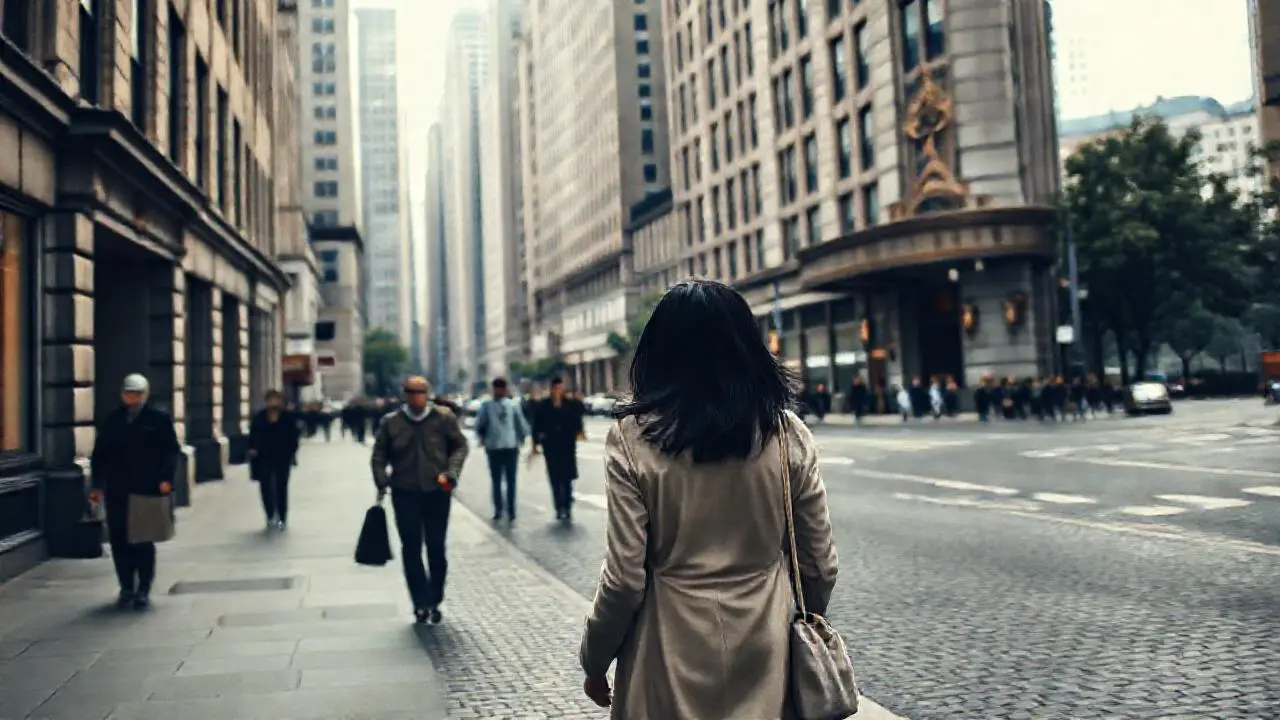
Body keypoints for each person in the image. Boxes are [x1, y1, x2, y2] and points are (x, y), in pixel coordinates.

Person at [577, 279, 839, 717]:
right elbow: (818, 563)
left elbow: (623, 579)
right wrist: (808, 621)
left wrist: (595, 658)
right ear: (746, 348)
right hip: (765, 642)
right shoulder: (785, 433)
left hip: (665, 650)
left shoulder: (631, 437)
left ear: (658, 353)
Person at [371, 376, 469, 625]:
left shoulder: (443, 418)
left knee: (436, 546)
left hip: (437, 491)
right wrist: (382, 480)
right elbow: (379, 455)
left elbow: (460, 446)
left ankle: (435, 597)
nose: (416, 397)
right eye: (411, 392)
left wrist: (452, 472)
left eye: (420, 392)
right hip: (405, 492)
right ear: (405, 395)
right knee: (411, 547)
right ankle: (420, 602)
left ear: (427, 394)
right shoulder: (391, 423)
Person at [88, 374, 181, 610]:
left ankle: (144, 588)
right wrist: (98, 485)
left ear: (145, 395)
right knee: (119, 540)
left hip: (147, 488)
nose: (133, 398)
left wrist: (165, 479)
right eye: (129, 393)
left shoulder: (158, 419)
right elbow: (100, 456)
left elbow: (171, 451)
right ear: (122, 394)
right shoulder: (113, 421)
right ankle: (126, 586)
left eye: (137, 393)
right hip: (118, 489)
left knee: (143, 539)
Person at [475, 377, 530, 522]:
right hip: (494, 447)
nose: (499, 391)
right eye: (496, 388)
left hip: (510, 446)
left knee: (511, 480)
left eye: (501, 388)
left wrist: (523, 437)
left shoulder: (513, 405)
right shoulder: (486, 405)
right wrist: (481, 436)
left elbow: (520, 422)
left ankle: (511, 509)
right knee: (497, 480)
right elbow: (480, 423)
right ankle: (499, 509)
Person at [530, 377, 584, 521]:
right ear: (552, 389)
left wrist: (578, 399)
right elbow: (536, 425)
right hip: (551, 446)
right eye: (556, 388)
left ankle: (567, 505)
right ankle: (558, 507)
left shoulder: (570, 404)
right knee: (555, 478)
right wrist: (535, 444)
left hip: (567, 445)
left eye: (561, 388)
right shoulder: (544, 405)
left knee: (567, 478)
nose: (559, 391)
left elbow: (579, 415)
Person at [248, 389, 301, 530]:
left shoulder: (287, 417)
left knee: (281, 487)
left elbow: (294, 436)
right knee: (265, 487)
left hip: (282, 457)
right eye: (270, 399)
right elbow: (252, 435)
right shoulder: (260, 417)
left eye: (275, 399)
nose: (273, 402)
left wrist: (292, 452)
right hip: (263, 457)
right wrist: (252, 448)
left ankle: (282, 517)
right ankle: (270, 514)